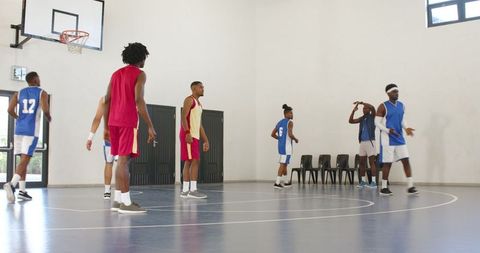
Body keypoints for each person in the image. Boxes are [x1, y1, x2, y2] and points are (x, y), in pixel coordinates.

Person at [104, 42, 156, 213]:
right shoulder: (140, 74)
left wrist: (105, 126)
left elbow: (107, 100)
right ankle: (126, 203)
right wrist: (150, 125)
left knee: (121, 160)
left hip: (113, 121)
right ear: (141, 58)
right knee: (124, 162)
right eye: (145, 58)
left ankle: (117, 200)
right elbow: (139, 100)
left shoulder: (115, 74)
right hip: (127, 121)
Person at [4, 71, 51, 203]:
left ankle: (22, 191)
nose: (40, 80)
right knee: (25, 160)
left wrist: (18, 118)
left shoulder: (19, 93)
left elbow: (9, 110)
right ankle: (12, 184)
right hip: (31, 131)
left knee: (22, 161)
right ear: (35, 79)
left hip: (18, 130)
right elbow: (46, 109)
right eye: (39, 78)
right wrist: (49, 117)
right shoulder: (42, 92)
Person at [375, 84, 418, 196]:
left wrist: (406, 128)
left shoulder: (401, 105)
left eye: (397, 91)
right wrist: (388, 130)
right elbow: (376, 123)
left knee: (406, 160)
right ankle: (384, 188)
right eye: (394, 92)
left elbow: (402, 119)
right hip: (387, 139)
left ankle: (410, 186)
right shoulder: (383, 106)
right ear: (388, 93)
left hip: (399, 138)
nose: (396, 93)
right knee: (387, 164)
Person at [180, 81, 209, 199]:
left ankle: (185, 190)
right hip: (189, 134)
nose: (203, 89)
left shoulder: (199, 104)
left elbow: (199, 125)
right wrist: (187, 133)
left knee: (189, 161)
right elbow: (183, 117)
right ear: (194, 89)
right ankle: (192, 190)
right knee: (194, 160)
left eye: (203, 87)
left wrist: (206, 140)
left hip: (195, 135)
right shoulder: (189, 100)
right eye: (200, 87)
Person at [86, 96, 117, 199]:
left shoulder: (104, 100)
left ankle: (107, 191)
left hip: (111, 138)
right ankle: (118, 193)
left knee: (109, 163)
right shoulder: (124, 97)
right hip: (118, 138)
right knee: (120, 164)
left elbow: (97, 118)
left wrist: (90, 137)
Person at [349, 101, 377, 188]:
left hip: (370, 142)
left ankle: (373, 182)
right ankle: (363, 182)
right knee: (361, 163)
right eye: (363, 109)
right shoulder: (362, 118)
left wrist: (362, 102)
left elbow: (372, 107)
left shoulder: (373, 116)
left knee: (371, 162)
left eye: (366, 108)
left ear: (369, 110)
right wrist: (354, 111)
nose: (364, 110)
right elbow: (350, 121)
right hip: (362, 143)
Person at [271, 104, 298, 189]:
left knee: (285, 163)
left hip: (281, 146)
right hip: (287, 147)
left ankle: (286, 182)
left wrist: (280, 139)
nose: (292, 115)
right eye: (290, 113)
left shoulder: (279, 122)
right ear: (285, 114)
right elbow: (290, 134)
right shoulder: (290, 122)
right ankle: (277, 182)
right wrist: (295, 139)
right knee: (283, 164)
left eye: (292, 113)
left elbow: (272, 134)